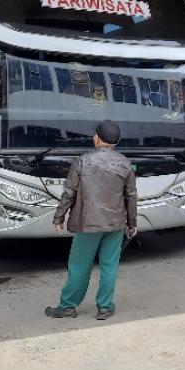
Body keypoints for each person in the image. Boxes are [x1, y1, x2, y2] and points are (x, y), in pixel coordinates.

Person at [46, 120, 137, 321]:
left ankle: (68, 306)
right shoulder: (125, 163)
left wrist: (59, 216)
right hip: (115, 223)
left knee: (79, 265)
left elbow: (69, 192)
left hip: (88, 223)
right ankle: (105, 307)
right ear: (117, 141)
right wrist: (132, 223)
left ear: (96, 138)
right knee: (109, 266)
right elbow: (131, 195)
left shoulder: (82, 161)